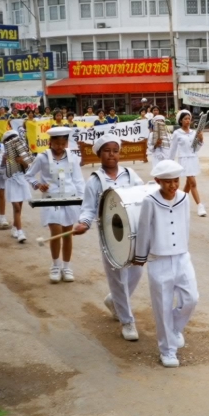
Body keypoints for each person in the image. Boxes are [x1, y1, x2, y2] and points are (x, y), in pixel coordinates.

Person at [74, 134, 145, 341]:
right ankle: (127, 321)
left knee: (136, 273)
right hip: (111, 236)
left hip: (133, 233)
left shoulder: (130, 175)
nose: (111, 154)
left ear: (120, 153)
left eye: (115, 150)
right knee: (117, 279)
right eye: (107, 150)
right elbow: (88, 209)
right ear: (99, 154)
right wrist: (84, 223)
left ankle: (114, 301)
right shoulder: (95, 181)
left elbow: (143, 196)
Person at [133, 159, 200, 368]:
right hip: (158, 259)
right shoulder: (150, 201)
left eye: (175, 181)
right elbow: (143, 229)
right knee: (162, 306)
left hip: (181, 256)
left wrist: (183, 248)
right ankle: (167, 350)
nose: (173, 186)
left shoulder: (183, 198)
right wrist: (140, 256)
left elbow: (185, 225)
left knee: (191, 299)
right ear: (158, 181)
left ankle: (173, 329)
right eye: (168, 182)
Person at [25, 126, 85, 283]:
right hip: (51, 199)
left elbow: (78, 179)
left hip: (70, 198)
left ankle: (67, 266)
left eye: (62, 143)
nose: (59, 147)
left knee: (67, 234)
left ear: (66, 143)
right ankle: (56, 265)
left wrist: (83, 199)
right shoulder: (42, 157)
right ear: (50, 142)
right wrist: (38, 185)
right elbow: (29, 175)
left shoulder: (72, 157)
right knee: (56, 231)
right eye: (56, 143)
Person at [168, 110, 206, 217]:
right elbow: (173, 149)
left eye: (189, 118)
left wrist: (200, 139)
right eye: (185, 119)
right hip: (184, 160)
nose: (188, 121)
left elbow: (196, 149)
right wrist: (169, 163)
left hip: (193, 159)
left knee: (188, 184)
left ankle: (177, 204)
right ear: (180, 120)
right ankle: (200, 205)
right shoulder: (177, 133)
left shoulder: (194, 132)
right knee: (193, 183)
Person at [0, 130, 32, 243]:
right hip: (11, 183)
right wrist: (4, 162)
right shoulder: (4, 155)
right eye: (9, 141)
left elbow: (30, 169)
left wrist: (22, 162)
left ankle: (14, 227)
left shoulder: (22, 153)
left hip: (22, 182)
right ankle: (20, 232)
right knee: (17, 208)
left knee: (19, 208)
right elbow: (3, 173)